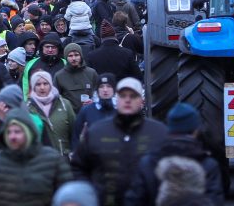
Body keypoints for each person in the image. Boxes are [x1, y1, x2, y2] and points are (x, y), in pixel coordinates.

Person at [70, 78, 167, 206]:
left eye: (133, 96)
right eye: (123, 95)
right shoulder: (97, 132)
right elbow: (78, 167)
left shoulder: (159, 132)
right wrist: (90, 193)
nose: (127, 100)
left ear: (141, 101)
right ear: (117, 98)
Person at [124, 102, 223, 206]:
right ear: (196, 130)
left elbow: (134, 201)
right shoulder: (208, 164)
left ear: (170, 129)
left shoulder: (148, 163)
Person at [0, 109, 71, 206]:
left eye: (17, 132)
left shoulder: (52, 160)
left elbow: (66, 196)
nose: (12, 137)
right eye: (9, 132)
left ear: (28, 133)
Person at [26, 70, 74, 155]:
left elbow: (75, 132)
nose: (42, 87)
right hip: (40, 161)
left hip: (64, 158)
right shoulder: (27, 108)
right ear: (33, 87)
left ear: (51, 85)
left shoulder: (64, 104)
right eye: (38, 84)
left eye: (45, 83)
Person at [71, 73, 116, 149]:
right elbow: (76, 135)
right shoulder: (87, 110)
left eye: (108, 86)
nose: (105, 90)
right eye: (101, 87)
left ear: (114, 89)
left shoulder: (121, 110)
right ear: (97, 90)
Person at [53, 43, 98, 111]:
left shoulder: (91, 73)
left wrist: (93, 102)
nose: (73, 58)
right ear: (66, 57)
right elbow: (55, 99)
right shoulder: (59, 76)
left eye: (76, 55)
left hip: (90, 114)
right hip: (69, 117)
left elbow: (99, 93)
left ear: (81, 56)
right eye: (70, 56)